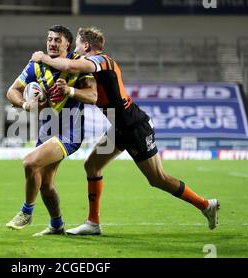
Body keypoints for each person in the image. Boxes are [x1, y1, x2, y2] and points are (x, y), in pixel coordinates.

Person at [31, 27, 219, 235]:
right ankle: (93, 223)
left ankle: (205, 205)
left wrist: (43, 58)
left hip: (134, 126)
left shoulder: (102, 61)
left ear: (86, 46)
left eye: (76, 45)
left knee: (158, 179)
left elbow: (68, 64)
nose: (75, 50)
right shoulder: (92, 70)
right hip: (119, 127)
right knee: (92, 166)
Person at [5, 25, 97, 236]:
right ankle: (57, 225)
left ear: (68, 44)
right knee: (46, 184)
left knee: (30, 162)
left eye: (57, 40)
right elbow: (12, 92)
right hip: (47, 130)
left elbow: (92, 96)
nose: (52, 43)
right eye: (49, 39)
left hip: (69, 132)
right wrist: (26, 105)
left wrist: (70, 91)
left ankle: (26, 212)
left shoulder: (78, 64)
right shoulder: (35, 67)